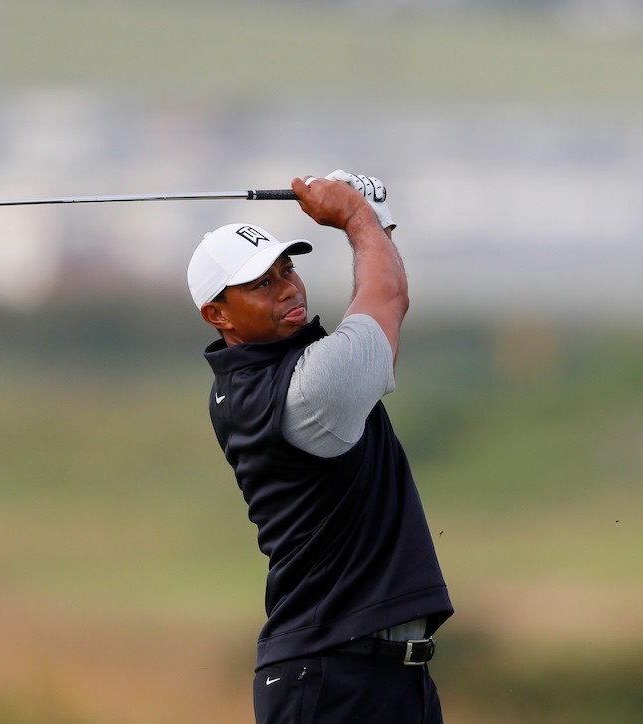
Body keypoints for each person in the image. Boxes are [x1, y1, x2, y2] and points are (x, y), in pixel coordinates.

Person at [186, 170, 453, 723]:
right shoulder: (307, 393)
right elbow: (388, 295)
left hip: (381, 676)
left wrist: (367, 221)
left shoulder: (268, 378)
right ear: (218, 315)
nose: (288, 288)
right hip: (331, 679)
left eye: (288, 269)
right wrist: (357, 217)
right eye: (261, 283)